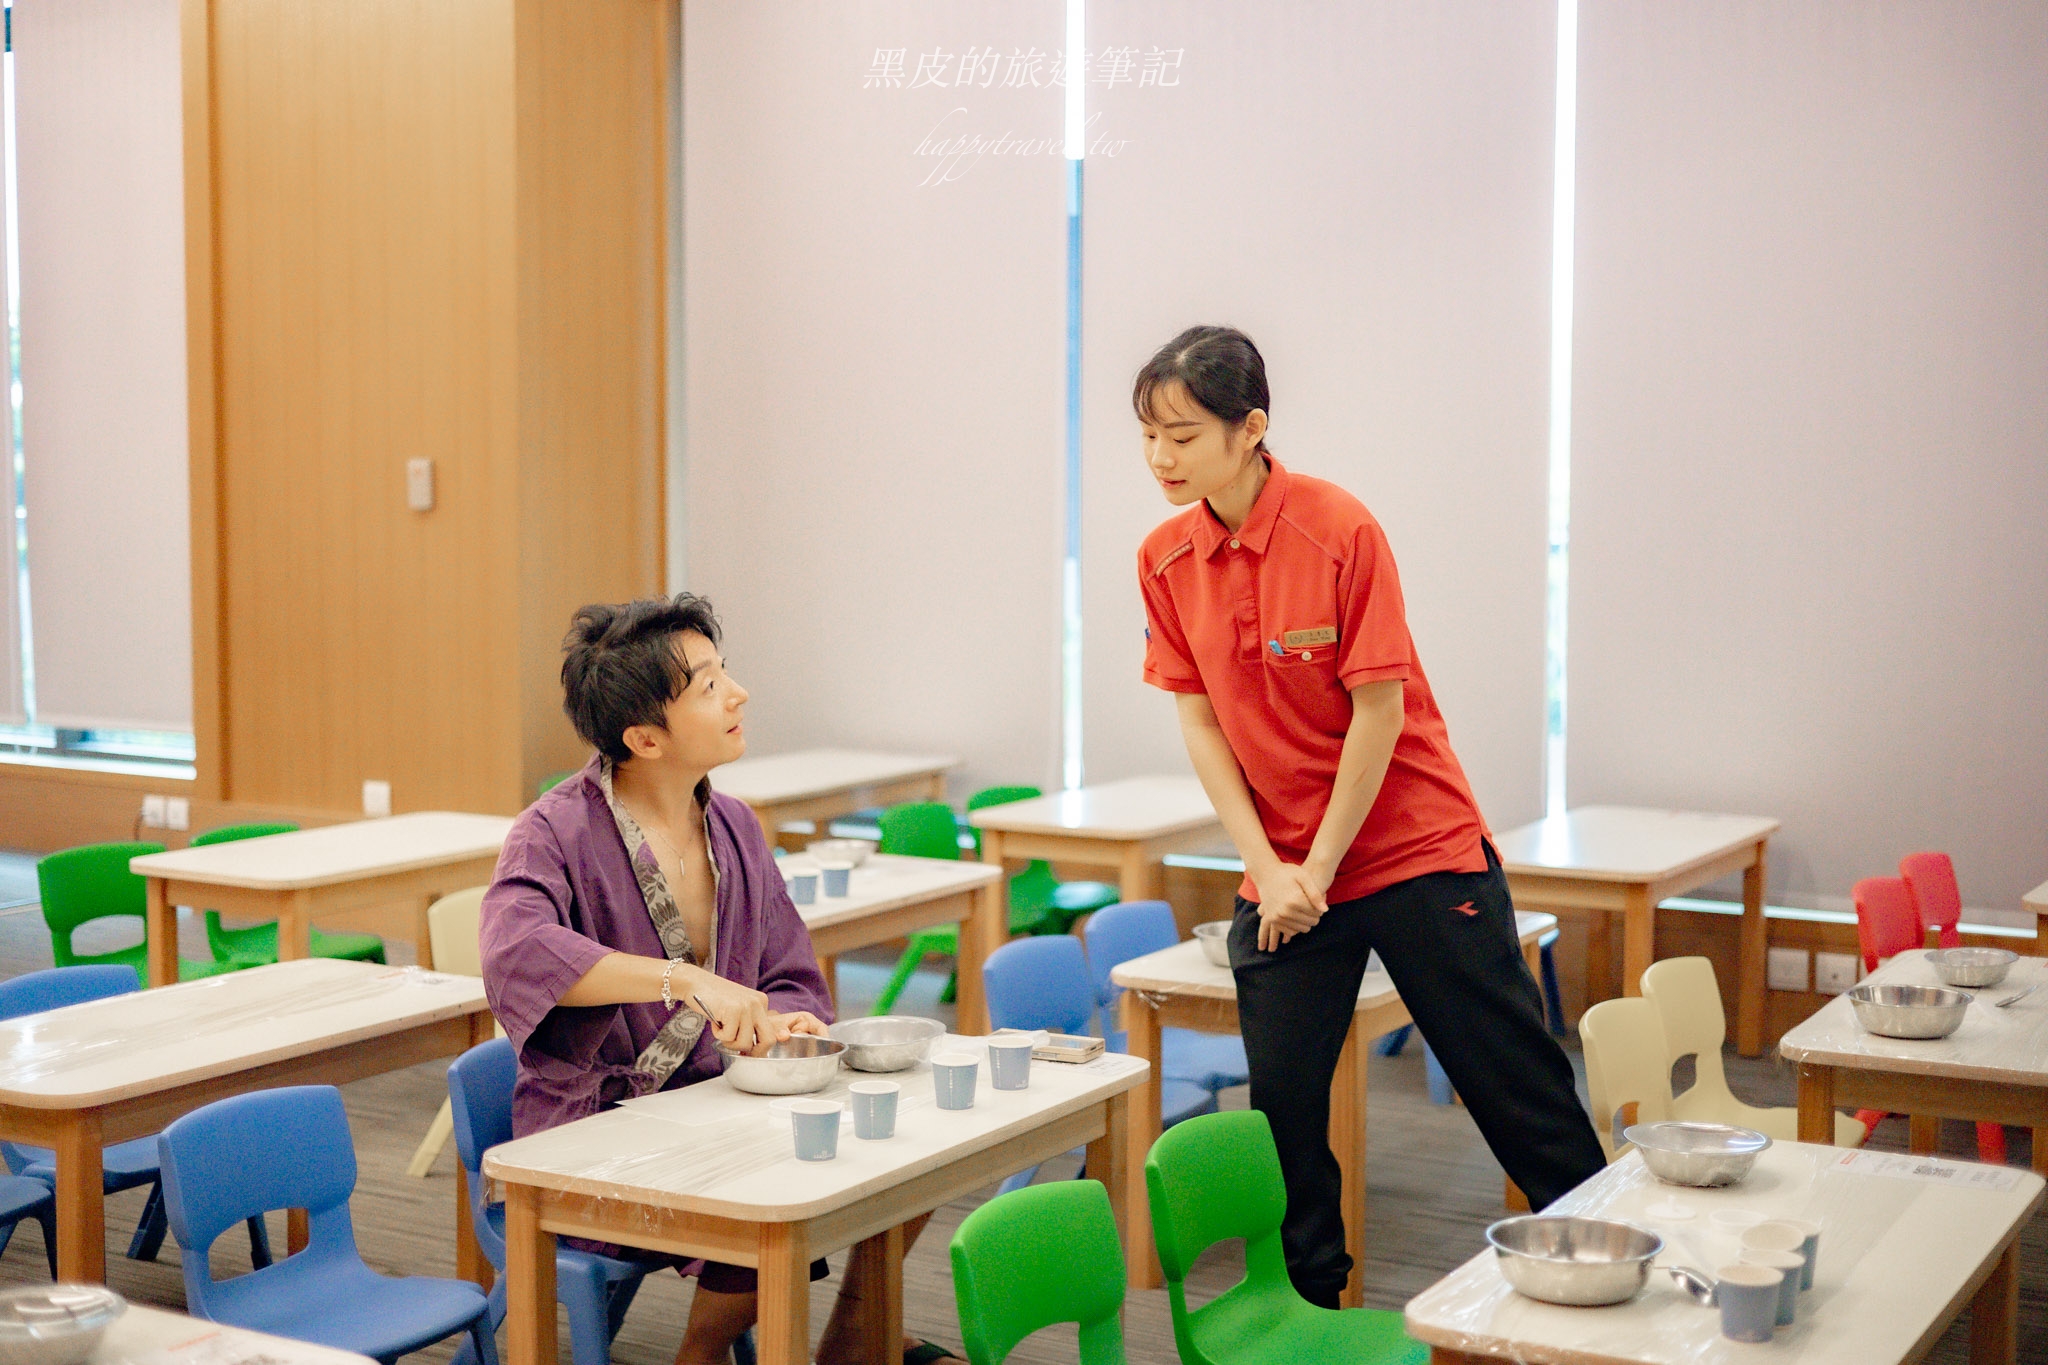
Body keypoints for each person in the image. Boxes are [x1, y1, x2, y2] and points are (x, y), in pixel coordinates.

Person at [1132, 325, 1606, 1308]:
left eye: (1180, 436)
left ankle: (1611, 1290)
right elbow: (1200, 722)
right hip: (1284, 867)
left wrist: (1318, 868)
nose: (1160, 459)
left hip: (1410, 847)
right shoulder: (1164, 557)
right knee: (1285, 1116)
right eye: (1147, 437)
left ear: (1250, 428)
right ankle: (1306, 1311)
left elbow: (1377, 715)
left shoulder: (1338, 529)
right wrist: (1268, 869)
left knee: (1514, 1090)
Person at [481, 595, 961, 1365]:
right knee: (783, 1191)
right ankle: (701, 1355)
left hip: (716, 1096)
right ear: (643, 738)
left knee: (907, 1153)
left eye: (723, 671)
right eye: (707, 685)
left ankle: (850, 1338)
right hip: (593, 1135)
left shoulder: (734, 823)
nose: (737, 692)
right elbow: (519, 951)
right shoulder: (552, 830)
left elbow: (788, 970)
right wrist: (683, 979)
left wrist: (793, 1021)